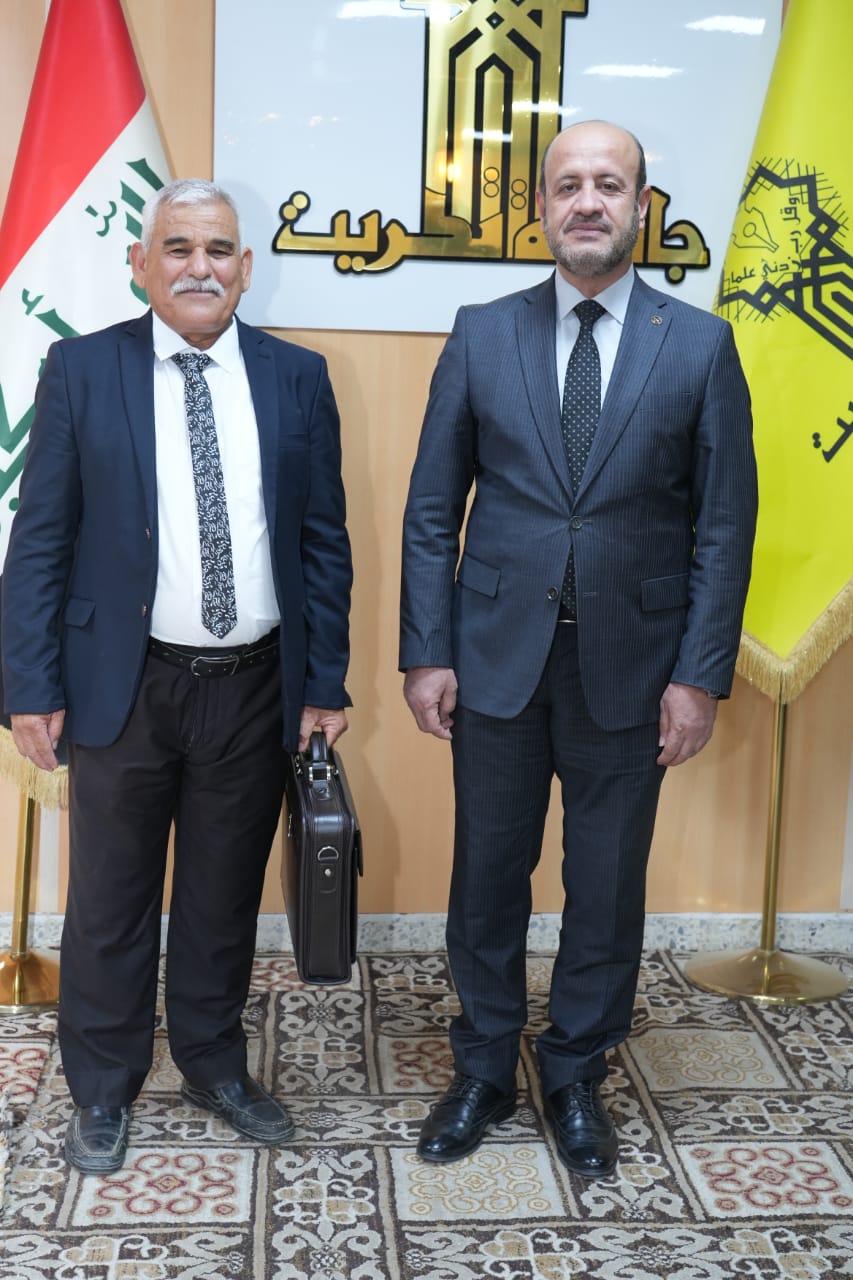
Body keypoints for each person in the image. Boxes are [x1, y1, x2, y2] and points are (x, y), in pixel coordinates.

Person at [400, 121, 757, 1179]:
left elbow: (723, 525)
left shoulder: (698, 346)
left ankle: (573, 1070)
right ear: (541, 208)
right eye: (568, 185)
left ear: (641, 205)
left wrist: (697, 675)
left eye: (608, 184)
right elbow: (431, 510)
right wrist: (427, 650)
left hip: (635, 668)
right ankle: (481, 1068)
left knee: (604, 885)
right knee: (486, 874)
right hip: (494, 659)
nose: (587, 202)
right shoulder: (480, 332)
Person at [1, 179, 352, 1175]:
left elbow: (323, 541)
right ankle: (102, 1087)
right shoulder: (82, 368)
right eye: (180, 247)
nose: (202, 266)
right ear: (141, 263)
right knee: (109, 898)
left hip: (254, 685)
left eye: (220, 249)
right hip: (123, 682)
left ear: (246, 267)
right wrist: (29, 685)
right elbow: (40, 539)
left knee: (219, 893)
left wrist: (324, 681)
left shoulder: (297, 377)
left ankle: (211, 1063)